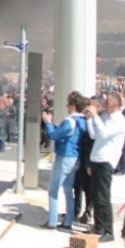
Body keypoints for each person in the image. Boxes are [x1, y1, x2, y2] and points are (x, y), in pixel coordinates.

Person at [84, 92, 125, 242]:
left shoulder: (119, 120)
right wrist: (90, 119)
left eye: (107, 102)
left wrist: (95, 115)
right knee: (95, 196)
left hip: (106, 160)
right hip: (96, 158)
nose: (104, 104)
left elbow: (104, 134)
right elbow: (94, 135)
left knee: (103, 197)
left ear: (115, 105)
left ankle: (109, 231)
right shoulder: (105, 116)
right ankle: (98, 226)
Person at [41, 91, 87, 230]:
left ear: (73, 105)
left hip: (64, 156)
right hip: (75, 157)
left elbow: (52, 135)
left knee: (53, 190)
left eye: (68, 103)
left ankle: (52, 221)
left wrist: (48, 123)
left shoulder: (69, 121)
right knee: (68, 189)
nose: (66, 105)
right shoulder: (82, 120)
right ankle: (68, 221)